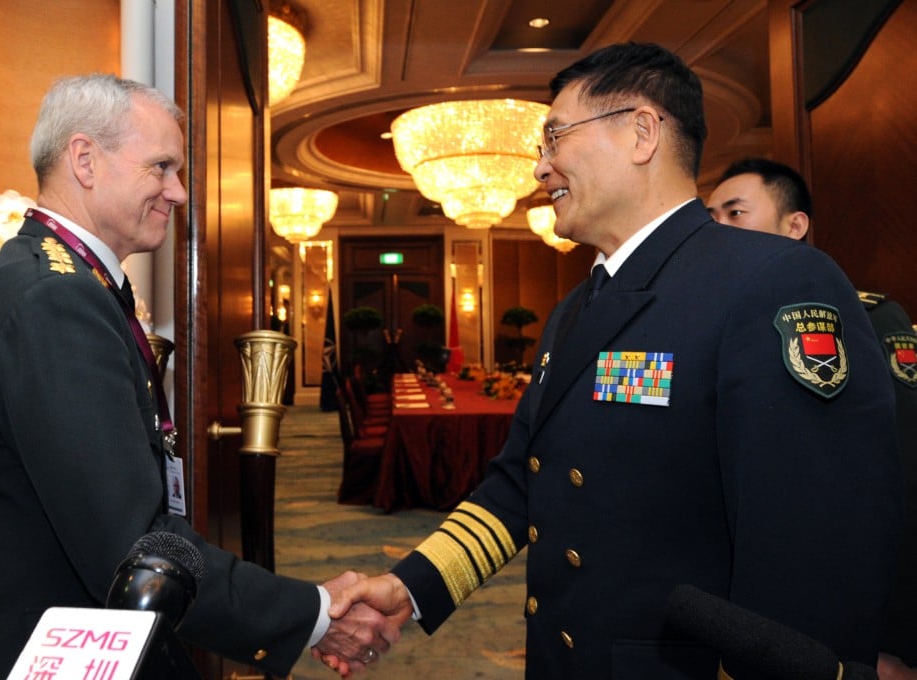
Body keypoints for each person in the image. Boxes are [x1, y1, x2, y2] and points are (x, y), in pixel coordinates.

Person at [326, 43, 904, 679]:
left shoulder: (774, 280)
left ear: (641, 131)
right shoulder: (575, 310)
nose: (540, 168)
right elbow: (523, 481)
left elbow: (814, 548)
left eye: (554, 136)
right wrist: (410, 587)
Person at [0, 74, 395, 678]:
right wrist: (316, 612)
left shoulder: (58, 281)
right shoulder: (56, 300)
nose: (179, 192)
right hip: (28, 651)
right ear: (84, 159)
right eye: (161, 167)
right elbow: (134, 548)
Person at [708, 157, 917, 679]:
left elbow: (903, 474)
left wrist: (892, 637)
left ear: (794, 225)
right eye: (709, 218)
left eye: (735, 213)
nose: (717, 230)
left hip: (838, 613)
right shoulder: (709, 325)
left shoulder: (866, 317)